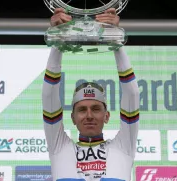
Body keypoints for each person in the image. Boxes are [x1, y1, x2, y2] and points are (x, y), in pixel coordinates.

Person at [42, 7, 139, 181]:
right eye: (81, 109)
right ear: (72, 117)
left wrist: (115, 41)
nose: (88, 115)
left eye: (95, 108)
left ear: (107, 115)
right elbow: (49, 96)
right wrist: (58, 40)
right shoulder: (59, 147)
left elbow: (132, 95)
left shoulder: (124, 146)